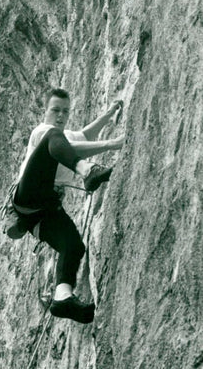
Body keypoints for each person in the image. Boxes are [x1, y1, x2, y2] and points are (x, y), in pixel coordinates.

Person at [8, 88, 124, 324]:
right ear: (46, 111)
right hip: (28, 194)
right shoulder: (43, 132)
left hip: (42, 212)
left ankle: (63, 298)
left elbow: (84, 136)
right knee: (54, 136)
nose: (61, 116)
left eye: (65, 111)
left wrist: (109, 113)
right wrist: (113, 144)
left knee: (73, 246)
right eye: (55, 110)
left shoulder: (64, 136)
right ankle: (87, 171)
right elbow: (68, 145)